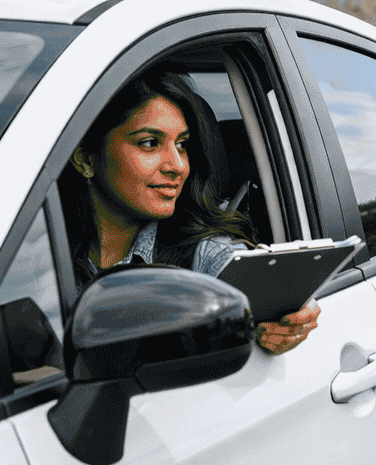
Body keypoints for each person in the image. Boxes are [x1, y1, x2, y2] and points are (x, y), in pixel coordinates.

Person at [63, 69, 319, 356]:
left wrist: (288, 311)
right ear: (86, 157)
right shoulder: (38, 246)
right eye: (150, 143)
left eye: (182, 145)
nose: (177, 165)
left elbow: (254, 285)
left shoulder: (202, 253)